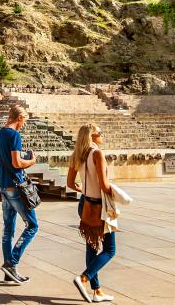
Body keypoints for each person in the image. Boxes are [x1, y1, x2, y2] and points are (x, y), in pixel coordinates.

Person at [66, 123, 116, 303]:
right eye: (100, 133)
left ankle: (97, 291)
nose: (102, 135)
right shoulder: (97, 154)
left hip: (85, 204)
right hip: (99, 206)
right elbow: (104, 185)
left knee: (92, 246)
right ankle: (84, 278)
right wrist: (117, 194)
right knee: (110, 250)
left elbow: (70, 183)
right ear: (93, 136)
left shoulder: (77, 155)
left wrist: (85, 190)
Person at [0, 106, 37, 284]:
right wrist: (31, 161)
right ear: (20, 117)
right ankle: (12, 263)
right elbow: (17, 163)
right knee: (32, 226)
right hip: (16, 187)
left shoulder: (0, 134)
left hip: (4, 186)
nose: (24, 124)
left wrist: (7, 162)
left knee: (8, 229)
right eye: (24, 120)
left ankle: (9, 273)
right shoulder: (14, 135)